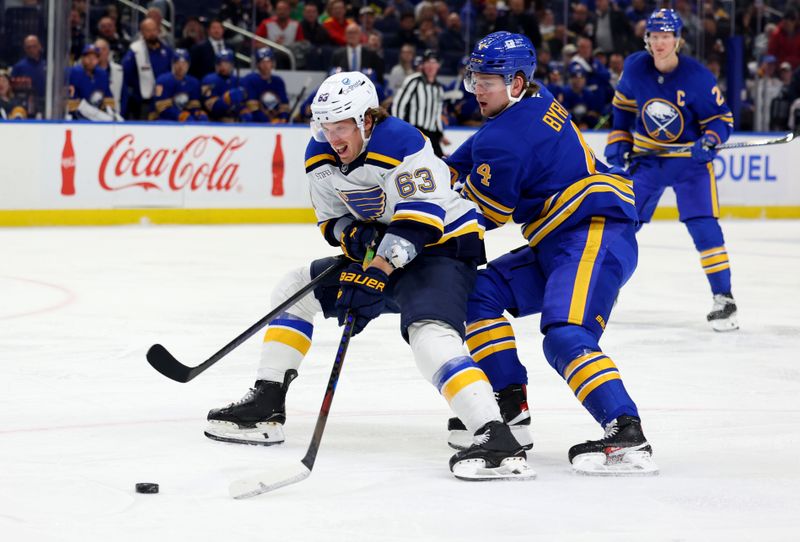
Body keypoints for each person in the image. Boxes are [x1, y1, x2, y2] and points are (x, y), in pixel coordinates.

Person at [204, 71, 535, 481]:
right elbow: (331, 222)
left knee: (428, 333)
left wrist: (375, 272)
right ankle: (267, 402)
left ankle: (495, 436)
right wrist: (356, 236)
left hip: (443, 251)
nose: (332, 137)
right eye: (324, 126)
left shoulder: (403, 143)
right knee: (294, 289)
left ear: (365, 120)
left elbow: (420, 224)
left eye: (340, 126)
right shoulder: (320, 153)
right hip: (384, 253)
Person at [445, 31, 658, 476]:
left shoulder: (503, 138)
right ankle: (510, 410)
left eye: (489, 79)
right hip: (559, 241)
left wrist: (412, 228)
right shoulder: (536, 102)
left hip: (593, 234)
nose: (478, 88)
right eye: (475, 77)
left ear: (517, 82)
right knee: (478, 293)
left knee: (565, 333)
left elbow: (484, 215)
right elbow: (455, 165)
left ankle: (626, 432)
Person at [605, 9, 737, 331]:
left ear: (678, 40)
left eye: (666, 36)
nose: (660, 42)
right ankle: (603, 288)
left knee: (704, 227)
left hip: (690, 163)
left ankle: (725, 300)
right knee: (622, 220)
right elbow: (621, 110)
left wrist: (710, 139)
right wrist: (619, 141)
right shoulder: (635, 67)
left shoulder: (697, 77)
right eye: (655, 36)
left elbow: (723, 119)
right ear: (647, 39)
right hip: (649, 160)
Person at [391, 50, 448, 157]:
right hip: (414, 130)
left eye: (434, 62)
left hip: (431, 134)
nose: (431, 66)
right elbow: (399, 105)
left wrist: (440, 134)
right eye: (428, 62)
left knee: (440, 163)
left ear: (438, 66)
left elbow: (436, 113)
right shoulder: (413, 81)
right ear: (423, 65)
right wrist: (399, 128)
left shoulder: (439, 88)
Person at [122, 17, 174, 120]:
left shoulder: (167, 51)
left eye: (154, 30)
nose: (151, 33)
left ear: (158, 30)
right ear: (142, 32)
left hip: (165, 100)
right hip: (144, 101)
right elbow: (126, 73)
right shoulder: (135, 50)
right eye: (148, 30)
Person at [153, 49, 208, 122]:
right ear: (172, 64)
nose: (180, 67)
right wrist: (181, 115)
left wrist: (198, 113)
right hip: (163, 120)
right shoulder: (163, 81)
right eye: (177, 63)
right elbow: (162, 108)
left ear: (188, 65)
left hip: (184, 120)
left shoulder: (193, 82)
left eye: (184, 64)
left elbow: (193, 106)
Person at [67, 44, 117, 121]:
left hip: (99, 116)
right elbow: (72, 103)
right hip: (77, 118)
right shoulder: (73, 73)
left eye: (94, 58)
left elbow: (108, 98)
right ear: (82, 58)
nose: (91, 60)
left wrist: (109, 112)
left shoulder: (102, 74)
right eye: (88, 57)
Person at [201, 49, 251, 122]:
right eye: (220, 63)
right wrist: (227, 98)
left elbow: (242, 103)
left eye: (226, 63)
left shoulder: (238, 80)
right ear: (216, 65)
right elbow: (212, 108)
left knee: (248, 116)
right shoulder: (209, 80)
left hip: (234, 121)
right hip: (215, 121)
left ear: (232, 64)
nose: (223, 66)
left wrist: (243, 110)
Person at [242, 47, 290, 123]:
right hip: (256, 124)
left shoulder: (278, 81)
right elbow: (253, 108)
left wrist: (283, 118)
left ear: (272, 63)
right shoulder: (250, 80)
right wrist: (270, 121)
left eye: (268, 61)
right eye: (262, 62)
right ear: (258, 64)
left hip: (277, 123)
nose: (266, 65)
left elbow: (284, 105)